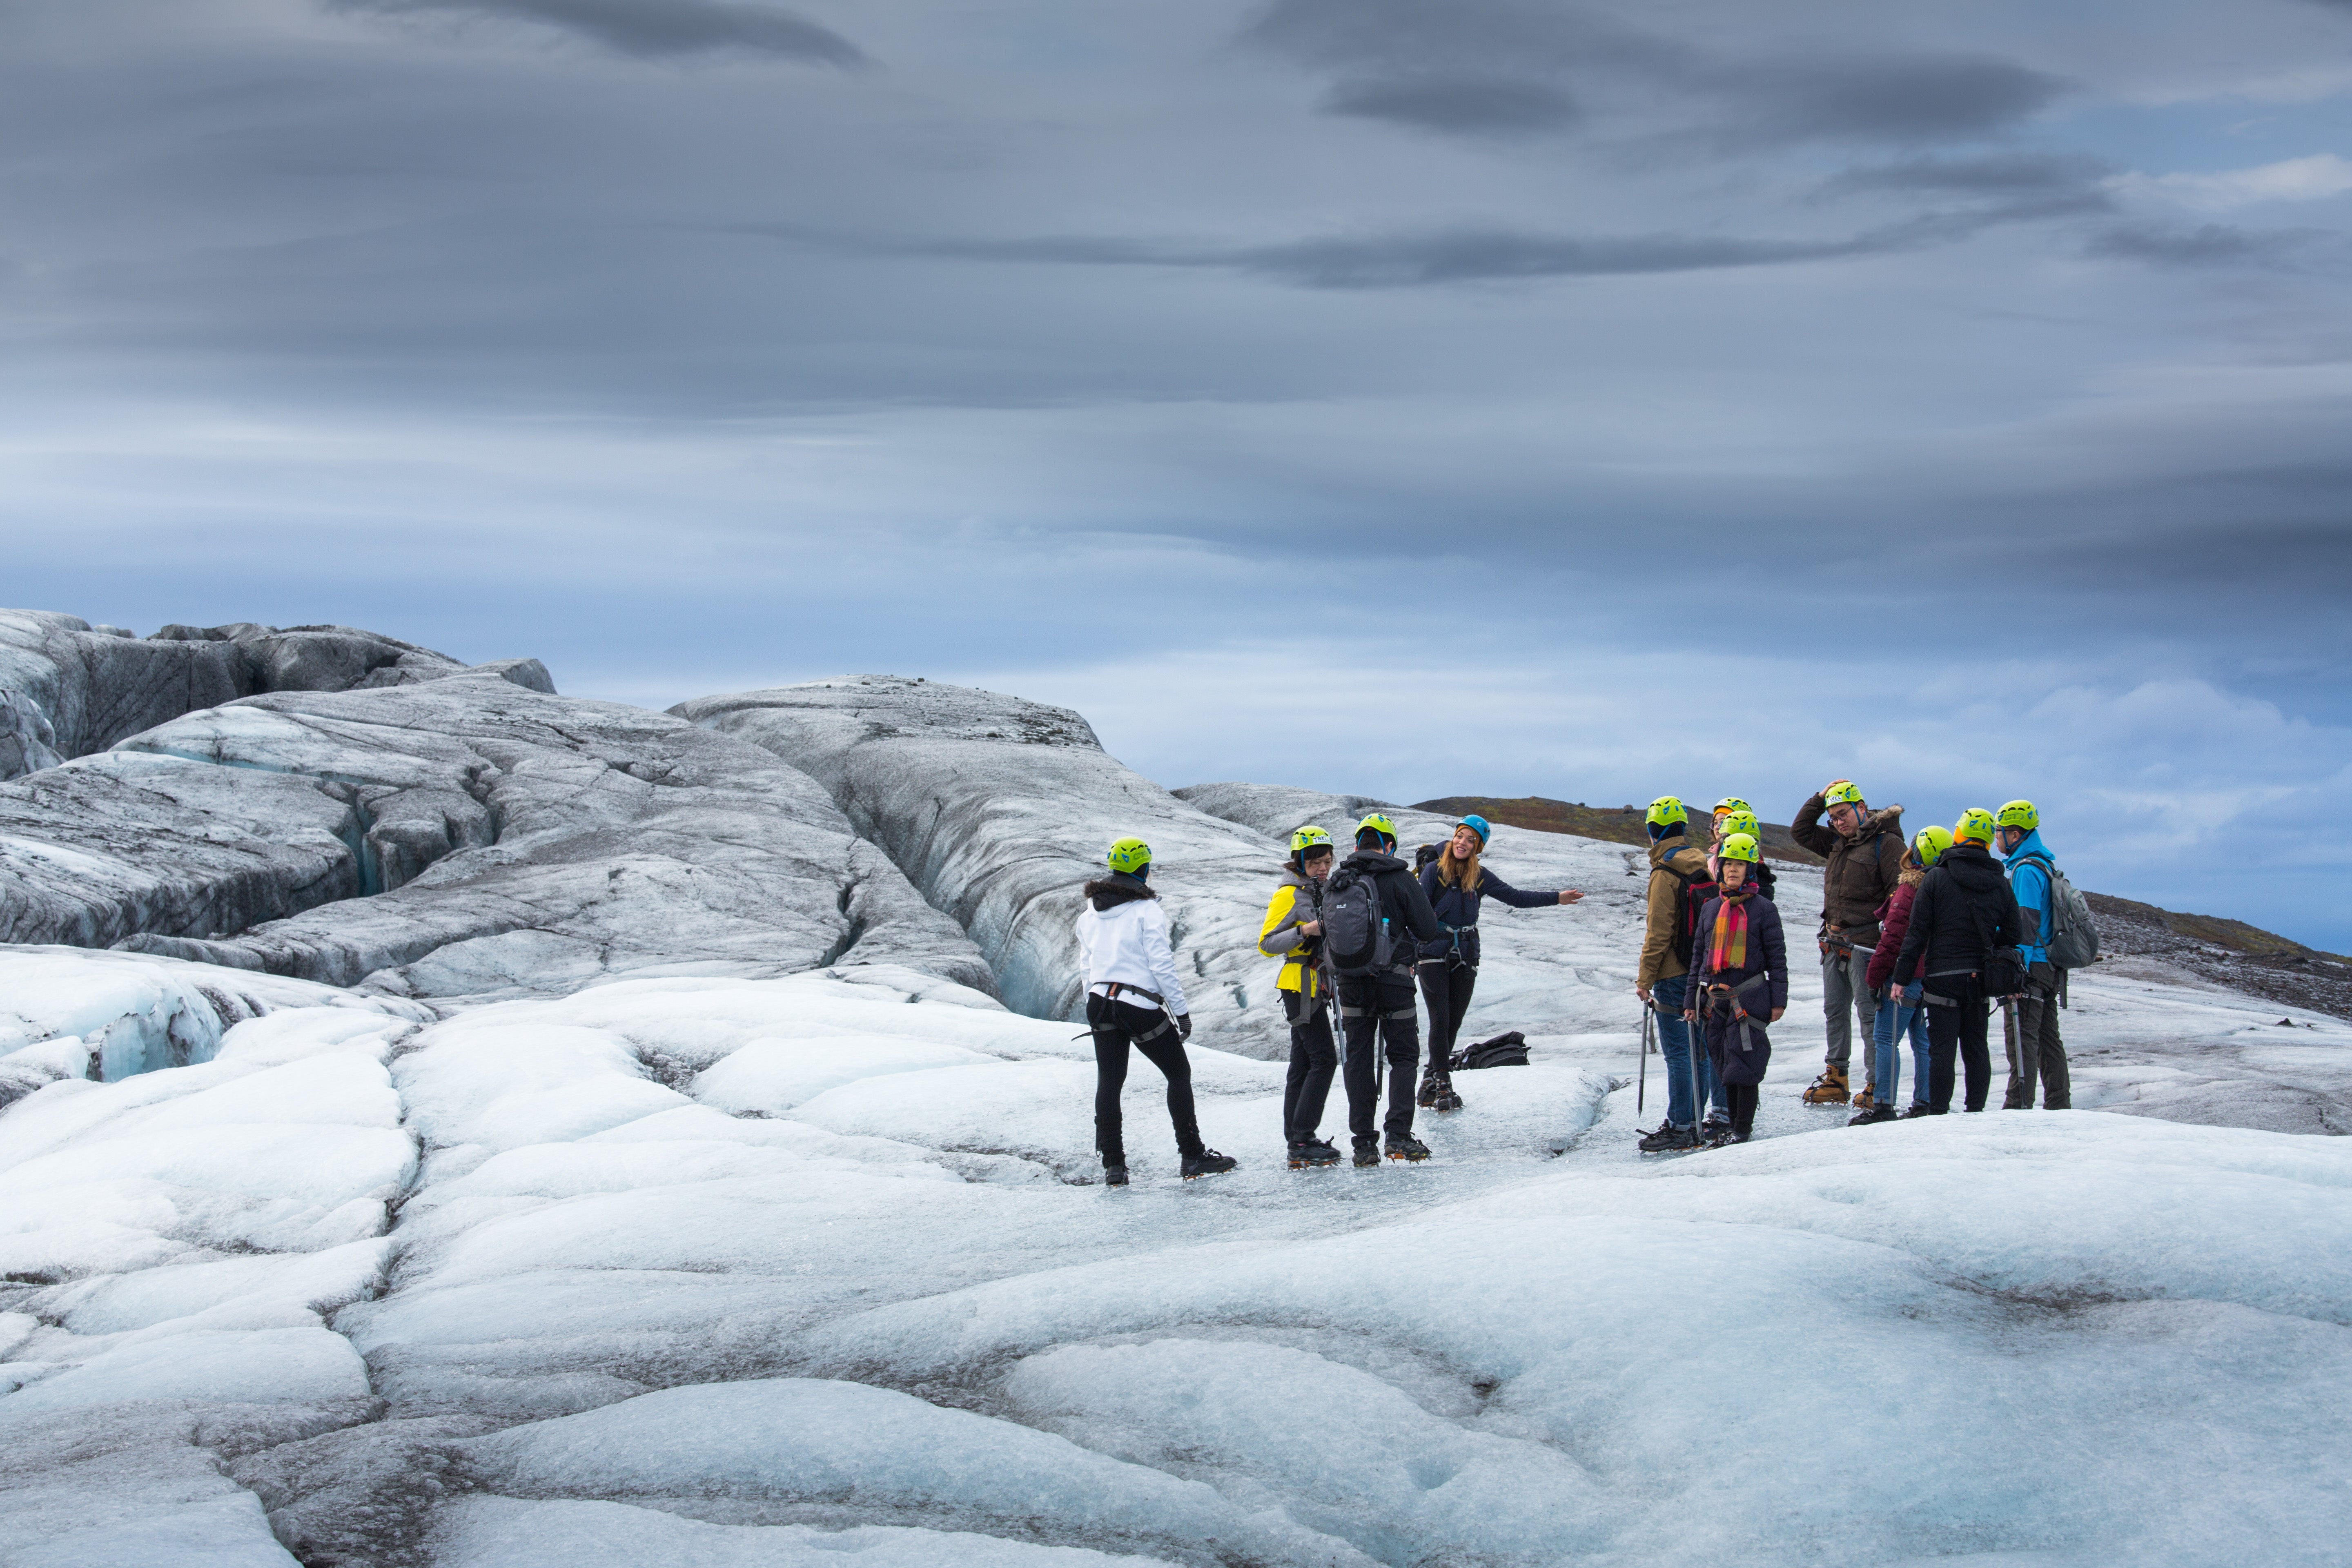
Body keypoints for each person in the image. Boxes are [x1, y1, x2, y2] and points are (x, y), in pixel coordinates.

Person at [1076, 836, 1236, 1185]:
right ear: (1144, 869)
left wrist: (1095, 1002)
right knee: (1178, 1073)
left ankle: (1114, 1166)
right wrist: (1182, 1013)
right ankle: (1192, 1156)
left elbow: (1086, 966)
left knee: (1110, 1080)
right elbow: (1162, 967)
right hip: (1137, 1005)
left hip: (1100, 1002)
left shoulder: (1090, 912)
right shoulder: (1147, 910)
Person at [1416, 813, 1582, 1113]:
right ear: (1453, 837)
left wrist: (1558, 898)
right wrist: (1410, 954)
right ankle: (1443, 1083)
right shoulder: (1432, 871)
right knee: (1440, 1018)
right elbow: (1417, 915)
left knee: (1453, 1022)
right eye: (1460, 836)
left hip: (1466, 954)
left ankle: (1429, 1081)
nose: (1463, 843)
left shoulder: (1479, 876)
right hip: (1432, 954)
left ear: (1478, 847)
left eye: (1471, 840)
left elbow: (1516, 898)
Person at [1328, 813, 1446, 1165]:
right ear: (1389, 845)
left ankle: (1364, 1145)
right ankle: (1398, 1136)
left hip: (1350, 984)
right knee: (1404, 1057)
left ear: (1357, 845)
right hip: (1394, 981)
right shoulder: (1399, 876)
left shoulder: (1339, 879)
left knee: (1359, 1060)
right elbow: (1427, 929)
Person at [1891, 810, 2024, 1115]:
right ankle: (1975, 1111)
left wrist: (1901, 977)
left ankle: (1938, 1113)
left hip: (1941, 977)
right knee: (1977, 1049)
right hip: (1980, 978)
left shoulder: (1936, 877)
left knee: (1942, 1052)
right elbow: (2015, 933)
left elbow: (1917, 933)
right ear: (1989, 842)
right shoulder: (2000, 882)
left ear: (1959, 835)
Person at [1789, 780, 1906, 1108]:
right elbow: (1800, 831)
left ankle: (1875, 1085)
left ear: (1862, 808)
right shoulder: (1838, 843)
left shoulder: (1888, 844)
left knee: (1869, 1015)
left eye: (1844, 814)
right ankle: (1837, 1078)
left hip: (1866, 944)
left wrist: (1889, 947)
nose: (1839, 822)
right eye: (1834, 817)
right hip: (1833, 942)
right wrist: (1820, 797)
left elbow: (1897, 898)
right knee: (1835, 1012)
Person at [1634, 797, 1728, 1151]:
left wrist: (1645, 978)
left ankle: (1682, 1125)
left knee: (1679, 1054)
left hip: (1673, 974)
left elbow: (1659, 932)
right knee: (1699, 1050)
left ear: (1653, 832)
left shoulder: (1664, 873)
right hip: (1700, 971)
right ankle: (1694, 1122)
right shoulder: (1699, 864)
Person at [1684, 832, 1787, 1146]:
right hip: (1716, 1000)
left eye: (1740, 865)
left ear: (1750, 870)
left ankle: (1742, 1130)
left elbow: (1777, 959)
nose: (1733, 870)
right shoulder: (1711, 908)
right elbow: (1698, 957)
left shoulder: (1764, 909)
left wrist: (1778, 1000)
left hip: (1751, 998)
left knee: (1746, 1064)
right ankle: (1733, 1127)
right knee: (1724, 1064)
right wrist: (1691, 999)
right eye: (1728, 863)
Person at [1858, 826, 1953, 1125]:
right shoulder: (1945, 888)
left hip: (1904, 979)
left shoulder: (1910, 889)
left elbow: (1894, 937)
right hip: (1933, 980)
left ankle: (1884, 1105)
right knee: (1923, 1044)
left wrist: (1875, 979)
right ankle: (1924, 1102)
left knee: (1885, 1040)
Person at [1259, 826, 1342, 1167]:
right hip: (1300, 985)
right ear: (1300, 862)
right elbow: (1266, 944)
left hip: (1316, 985)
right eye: (1315, 862)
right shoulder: (1289, 895)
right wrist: (1304, 931)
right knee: (1324, 1060)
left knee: (1303, 1063)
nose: (1323, 868)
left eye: (1327, 861)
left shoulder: (1320, 890)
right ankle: (1303, 1138)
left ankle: (1296, 1136)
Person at [1996, 800, 2072, 1111]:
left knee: (2022, 1039)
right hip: (2048, 967)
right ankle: (2058, 1104)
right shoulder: (2043, 864)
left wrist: (2017, 969)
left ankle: (2018, 1108)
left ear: (2015, 834)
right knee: (2047, 1039)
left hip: (2031, 967)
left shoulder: (2026, 870)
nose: (1995, 839)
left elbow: (2025, 924)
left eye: (1999, 832)